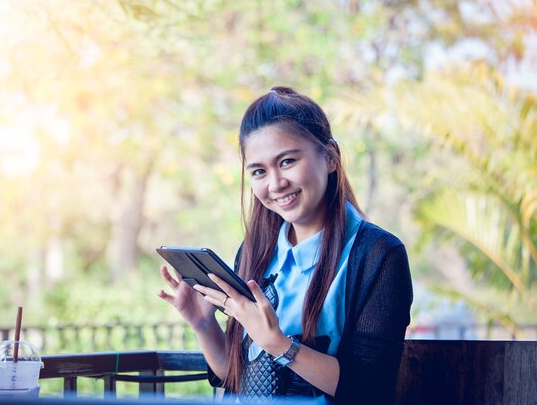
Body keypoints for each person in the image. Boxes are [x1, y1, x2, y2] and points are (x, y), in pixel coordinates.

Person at [158, 86, 413, 404]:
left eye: (288, 161)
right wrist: (203, 323)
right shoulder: (255, 252)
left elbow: (370, 389)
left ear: (330, 157)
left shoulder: (378, 255)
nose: (276, 183)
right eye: (259, 171)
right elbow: (236, 377)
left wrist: (280, 344)